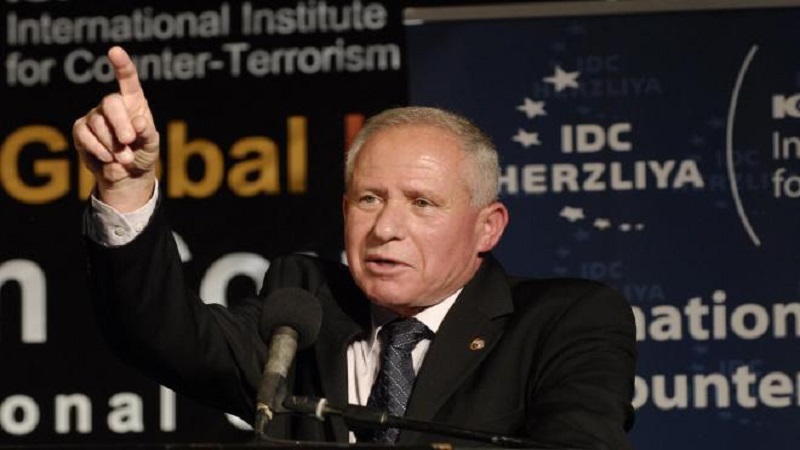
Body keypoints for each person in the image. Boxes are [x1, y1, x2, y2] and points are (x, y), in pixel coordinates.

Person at [74, 46, 636, 449]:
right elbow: (157, 332)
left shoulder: (562, 320)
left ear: (487, 228)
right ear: (345, 211)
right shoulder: (304, 308)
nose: (386, 227)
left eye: (422, 203)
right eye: (369, 199)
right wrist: (125, 187)